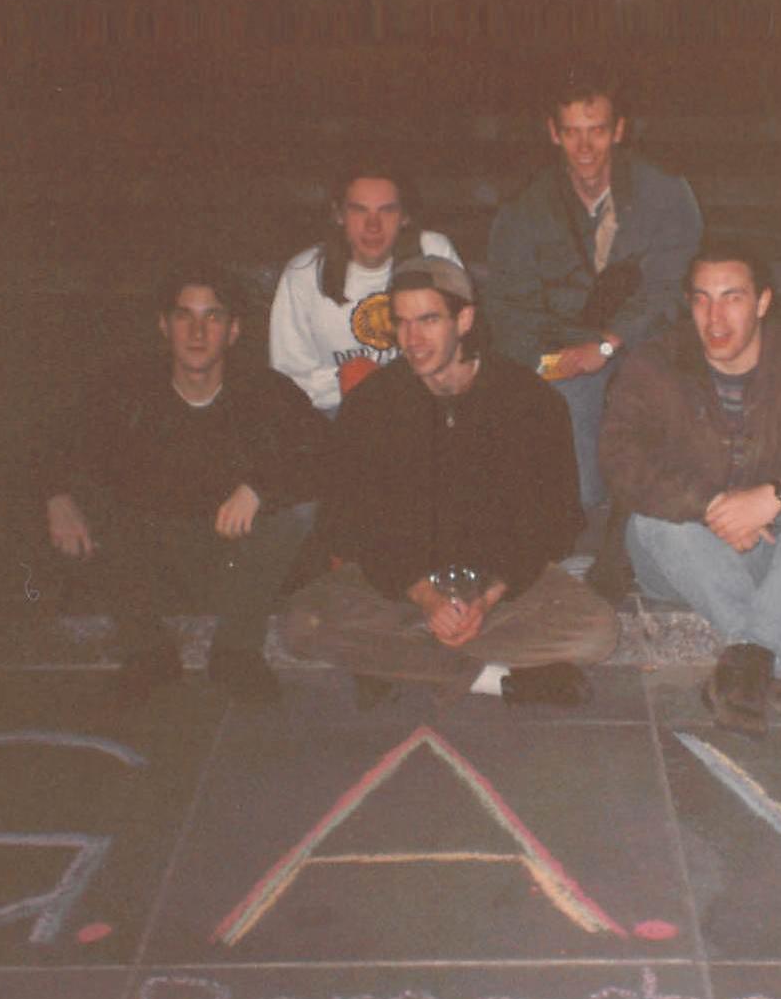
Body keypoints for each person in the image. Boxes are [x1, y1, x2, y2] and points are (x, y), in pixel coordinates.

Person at [281, 254, 618, 707]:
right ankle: (497, 680)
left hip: (498, 588)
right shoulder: (373, 406)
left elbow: (554, 525)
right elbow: (349, 523)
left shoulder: (529, 402)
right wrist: (424, 597)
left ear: (464, 319)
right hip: (401, 584)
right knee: (302, 623)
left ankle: (392, 659)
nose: (412, 340)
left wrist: (487, 596)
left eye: (428, 320)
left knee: (598, 632)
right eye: (401, 323)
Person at [599, 245, 781, 734]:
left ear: (762, 303)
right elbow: (621, 459)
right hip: (686, 553)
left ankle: (748, 664)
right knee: (650, 522)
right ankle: (777, 656)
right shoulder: (654, 365)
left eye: (732, 298)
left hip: (777, 546)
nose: (715, 317)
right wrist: (711, 507)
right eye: (702, 300)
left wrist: (774, 497)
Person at [40, 270, 328, 702]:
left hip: (232, 557)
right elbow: (52, 441)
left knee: (299, 510)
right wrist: (55, 496)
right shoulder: (124, 392)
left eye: (212, 318)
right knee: (81, 503)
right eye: (184, 316)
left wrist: (259, 487)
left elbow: (322, 453)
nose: (197, 332)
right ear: (164, 325)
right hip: (152, 557)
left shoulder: (266, 392)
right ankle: (147, 651)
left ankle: (237, 650)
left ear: (232, 331)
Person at [485, 71, 702, 513]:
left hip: (647, 342)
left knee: (677, 472)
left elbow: (673, 290)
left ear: (619, 130)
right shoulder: (525, 206)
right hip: (566, 355)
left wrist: (607, 343)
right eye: (572, 133)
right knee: (579, 493)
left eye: (597, 131)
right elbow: (509, 306)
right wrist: (543, 366)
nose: (585, 148)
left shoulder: (664, 192)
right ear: (553, 133)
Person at [269, 164, 460, 416]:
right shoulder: (302, 274)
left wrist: (386, 384)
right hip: (337, 408)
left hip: (423, 402)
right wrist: (350, 381)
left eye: (387, 211)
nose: (373, 226)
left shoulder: (434, 252)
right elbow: (288, 376)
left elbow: (462, 344)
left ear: (405, 216)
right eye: (359, 211)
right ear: (339, 215)